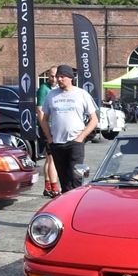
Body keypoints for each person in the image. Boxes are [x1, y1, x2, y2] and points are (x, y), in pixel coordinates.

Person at [40, 65, 98, 193]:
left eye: (62, 76)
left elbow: (94, 120)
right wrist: (49, 138)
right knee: (64, 180)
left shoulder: (81, 94)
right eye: (58, 77)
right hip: (57, 143)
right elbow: (44, 119)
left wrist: (81, 137)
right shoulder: (51, 95)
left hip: (75, 142)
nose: (59, 79)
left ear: (71, 78)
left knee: (76, 177)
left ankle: (78, 202)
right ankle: (67, 203)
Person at [36, 66, 60, 198]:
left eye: (56, 76)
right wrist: (45, 129)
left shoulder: (57, 89)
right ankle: (54, 188)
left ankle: (47, 186)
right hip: (48, 127)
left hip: (55, 126)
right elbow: (39, 110)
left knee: (48, 158)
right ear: (48, 76)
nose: (54, 79)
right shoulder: (44, 89)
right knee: (53, 158)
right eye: (51, 76)